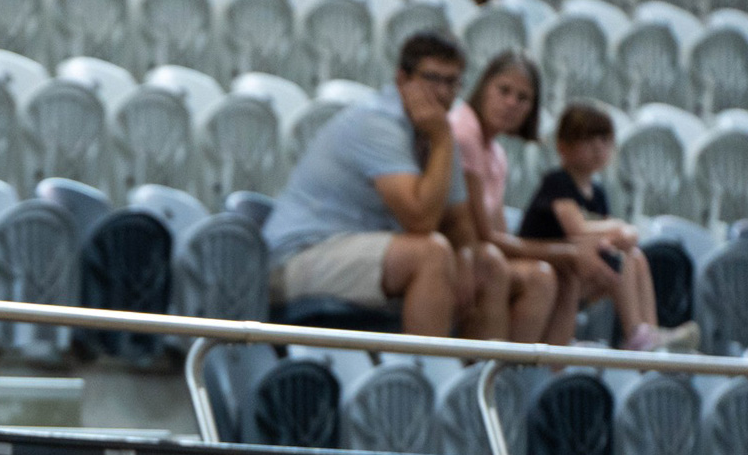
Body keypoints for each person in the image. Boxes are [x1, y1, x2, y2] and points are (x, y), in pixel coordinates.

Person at [263, 30, 473, 339]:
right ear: (403, 79)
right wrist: (442, 140)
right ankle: (425, 381)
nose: (442, 93)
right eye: (432, 78)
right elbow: (421, 220)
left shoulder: (434, 129)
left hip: (352, 251)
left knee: (491, 268)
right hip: (297, 257)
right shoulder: (377, 123)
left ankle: (483, 382)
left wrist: (469, 261)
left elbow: (460, 223)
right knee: (430, 254)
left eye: (451, 82)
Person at [518, 104, 699, 351]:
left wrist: (620, 236)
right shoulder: (557, 182)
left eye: (604, 140)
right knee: (620, 259)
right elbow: (577, 230)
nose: (597, 147)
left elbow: (601, 238)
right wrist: (620, 228)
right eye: (587, 139)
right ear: (563, 146)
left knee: (635, 257)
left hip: (579, 269)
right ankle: (635, 333)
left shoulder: (599, 192)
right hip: (553, 269)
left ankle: (649, 332)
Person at [447, 50, 558, 344]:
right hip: (455, 249)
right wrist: (567, 253)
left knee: (548, 276)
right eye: (504, 90)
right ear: (484, 87)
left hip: (479, 248)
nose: (511, 103)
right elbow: (482, 235)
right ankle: (487, 371)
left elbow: (498, 231)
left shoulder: (497, 153)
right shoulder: (463, 131)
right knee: (497, 263)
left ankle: (529, 378)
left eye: (523, 98)